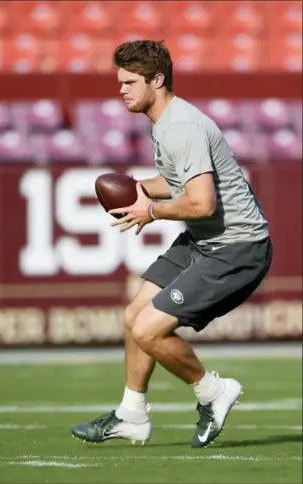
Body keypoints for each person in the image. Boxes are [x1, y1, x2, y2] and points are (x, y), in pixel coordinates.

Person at [71, 40, 272, 448]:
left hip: (237, 247)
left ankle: (213, 391)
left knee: (148, 329)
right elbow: (181, 181)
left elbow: (201, 202)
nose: (121, 90)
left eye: (129, 82)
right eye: (120, 81)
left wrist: (152, 211)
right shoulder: (167, 121)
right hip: (206, 239)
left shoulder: (180, 127)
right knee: (134, 315)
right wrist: (140, 188)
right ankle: (131, 415)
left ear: (157, 80)